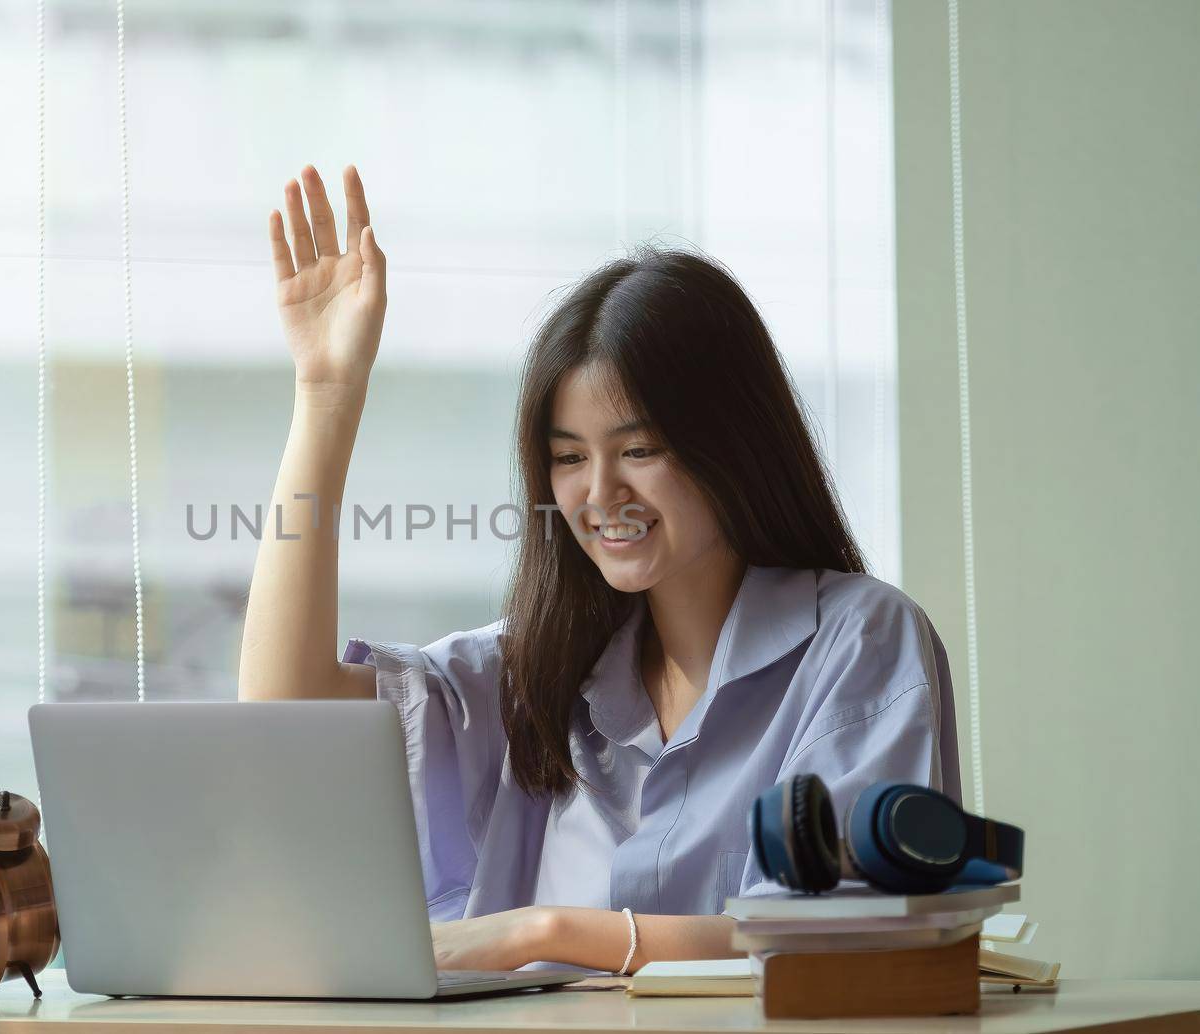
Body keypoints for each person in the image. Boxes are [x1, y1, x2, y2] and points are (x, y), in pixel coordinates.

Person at [237, 164, 961, 975]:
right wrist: (326, 393)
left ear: (734, 442)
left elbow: (842, 935)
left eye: (640, 449)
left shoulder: (858, 642)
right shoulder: (534, 673)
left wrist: (546, 934)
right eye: (569, 458)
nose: (600, 493)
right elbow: (283, 714)